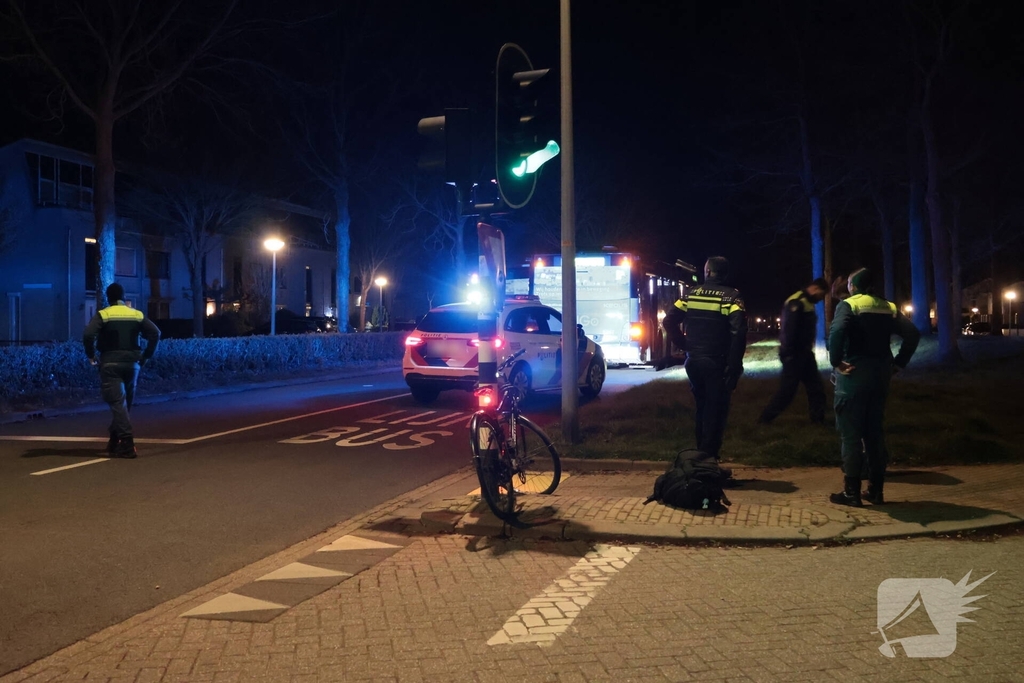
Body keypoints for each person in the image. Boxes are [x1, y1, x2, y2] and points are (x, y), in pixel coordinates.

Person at [827, 268, 919, 507]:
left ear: (853, 286)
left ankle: (852, 493)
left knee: (851, 435)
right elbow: (912, 334)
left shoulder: (849, 305)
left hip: (853, 376)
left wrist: (836, 362)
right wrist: (899, 363)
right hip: (880, 377)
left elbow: (837, 332)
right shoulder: (888, 307)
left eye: (849, 283)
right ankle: (876, 491)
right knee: (874, 434)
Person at [657, 256, 747, 461]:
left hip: (693, 361)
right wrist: (734, 366)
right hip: (717, 362)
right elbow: (738, 333)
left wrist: (684, 345)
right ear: (725, 274)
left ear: (707, 272)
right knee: (717, 410)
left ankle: (701, 454)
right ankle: (709, 458)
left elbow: (669, 321)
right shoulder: (731, 297)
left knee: (702, 407)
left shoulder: (690, 294)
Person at [83, 283, 161, 458]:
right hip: (133, 364)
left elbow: (88, 334)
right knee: (125, 404)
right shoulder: (136, 314)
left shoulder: (104, 315)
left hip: (110, 363)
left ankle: (126, 443)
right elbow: (156, 333)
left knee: (118, 403)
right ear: (124, 297)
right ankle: (114, 439)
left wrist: (91, 355)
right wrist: (146, 356)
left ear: (108, 298)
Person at [758, 278, 829, 425]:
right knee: (787, 391)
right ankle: (765, 419)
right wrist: (788, 354)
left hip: (805, 353)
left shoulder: (807, 302)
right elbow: (788, 331)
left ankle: (818, 420)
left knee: (816, 388)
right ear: (815, 288)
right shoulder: (797, 301)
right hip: (794, 355)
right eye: (821, 295)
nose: (821, 299)